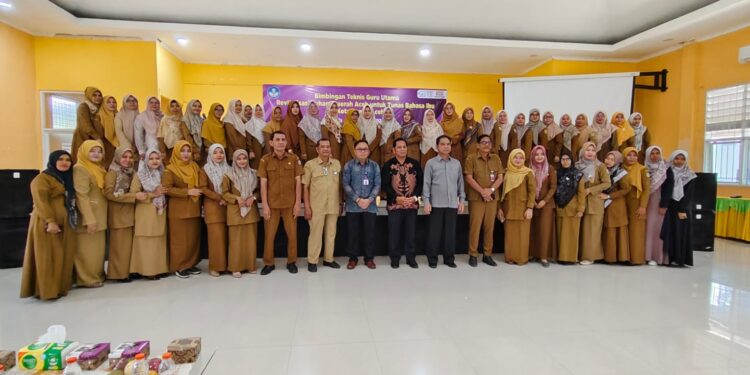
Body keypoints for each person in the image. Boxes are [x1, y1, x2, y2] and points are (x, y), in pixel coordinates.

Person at [20, 150, 77, 300]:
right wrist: (50, 221)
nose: (64, 162)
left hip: (64, 222)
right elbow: (41, 201)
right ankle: (46, 290)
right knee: (48, 256)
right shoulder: (42, 179)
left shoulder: (64, 178)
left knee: (60, 256)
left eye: (68, 160)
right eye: (60, 159)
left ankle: (59, 288)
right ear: (52, 161)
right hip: (46, 223)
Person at [258, 131, 303, 275]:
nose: (281, 142)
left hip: (290, 205)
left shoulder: (294, 158)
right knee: (269, 236)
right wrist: (264, 205)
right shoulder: (265, 160)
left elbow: (298, 182)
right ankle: (269, 263)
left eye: (283, 139)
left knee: (292, 235)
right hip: (272, 205)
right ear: (271, 143)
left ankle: (291, 262)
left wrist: (297, 204)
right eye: (277, 139)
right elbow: (263, 184)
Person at [423, 135, 465, 268]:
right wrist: (426, 201)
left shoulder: (456, 163)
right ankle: (432, 258)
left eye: (448, 144)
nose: (446, 146)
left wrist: (462, 200)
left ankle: (449, 259)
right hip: (436, 204)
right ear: (437, 147)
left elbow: (460, 184)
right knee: (434, 233)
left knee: (450, 234)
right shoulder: (431, 163)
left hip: (452, 204)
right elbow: (426, 184)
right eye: (443, 144)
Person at [103, 146, 144, 282]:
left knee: (127, 246)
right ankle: (118, 274)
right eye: (124, 157)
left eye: (130, 157)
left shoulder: (131, 172)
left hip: (130, 211)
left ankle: (128, 271)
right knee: (119, 246)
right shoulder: (112, 172)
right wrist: (133, 196)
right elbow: (108, 193)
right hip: (118, 213)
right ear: (117, 157)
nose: (127, 160)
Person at [163, 140, 203, 278]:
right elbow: (167, 189)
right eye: (182, 150)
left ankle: (190, 264)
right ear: (176, 152)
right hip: (178, 211)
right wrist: (187, 192)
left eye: (188, 151)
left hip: (193, 208)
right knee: (179, 240)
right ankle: (179, 266)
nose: (186, 154)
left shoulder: (194, 167)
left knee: (192, 239)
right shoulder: (170, 169)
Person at [382, 138, 423, 269]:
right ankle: (395, 258)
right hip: (395, 205)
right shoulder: (388, 165)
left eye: (404, 147)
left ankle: (411, 258)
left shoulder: (415, 164)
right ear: (394, 150)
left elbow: (420, 184)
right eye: (399, 147)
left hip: (411, 204)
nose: (402, 149)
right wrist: (396, 198)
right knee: (394, 233)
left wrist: (415, 197)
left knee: (411, 233)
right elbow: (385, 185)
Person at [303, 138, 342, 272]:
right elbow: (305, 187)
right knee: (315, 234)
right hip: (316, 206)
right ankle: (312, 261)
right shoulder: (310, 165)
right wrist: (307, 207)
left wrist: (341, 202)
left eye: (328, 146)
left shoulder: (337, 164)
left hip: (333, 205)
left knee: (331, 233)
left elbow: (340, 186)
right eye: (323, 147)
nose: (326, 149)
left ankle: (328, 259)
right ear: (317, 149)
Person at [464, 134, 504, 267]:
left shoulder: (496, 158)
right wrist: (482, 191)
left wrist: (490, 191)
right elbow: (469, 178)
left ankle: (487, 254)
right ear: (478, 145)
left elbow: (500, 177)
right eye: (483, 142)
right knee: (475, 227)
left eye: (488, 142)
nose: (486, 145)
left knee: (489, 227)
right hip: (476, 198)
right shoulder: (471, 158)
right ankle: (473, 254)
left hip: (492, 198)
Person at [130, 148, 169, 280]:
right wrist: (154, 194)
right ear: (146, 160)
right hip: (145, 211)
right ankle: (146, 270)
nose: (154, 161)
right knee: (146, 241)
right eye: (151, 158)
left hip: (160, 211)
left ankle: (159, 269)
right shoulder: (140, 175)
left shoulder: (162, 174)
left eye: (157, 158)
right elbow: (134, 193)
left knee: (158, 239)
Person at [73, 140, 108, 287]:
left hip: (99, 215)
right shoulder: (80, 168)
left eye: (99, 151)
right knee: (87, 251)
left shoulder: (98, 168)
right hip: (90, 217)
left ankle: (96, 275)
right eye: (92, 150)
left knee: (97, 251)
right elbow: (81, 195)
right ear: (84, 151)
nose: (96, 154)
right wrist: (89, 219)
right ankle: (86, 279)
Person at [222, 149, 261, 277]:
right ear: (234, 160)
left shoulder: (254, 174)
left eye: (244, 158)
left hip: (250, 211)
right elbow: (224, 193)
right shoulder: (228, 175)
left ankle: (250, 265)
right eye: (239, 159)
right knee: (236, 241)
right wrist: (236, 198)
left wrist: (253, 198)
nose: (242, 161)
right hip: (235, 211)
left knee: (250, 240)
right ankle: (235, 267)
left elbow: (259, 191)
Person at [343, 140, 381, 269]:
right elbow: (345, 184)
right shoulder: (349, 165)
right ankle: (353, 258)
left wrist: (369, 199)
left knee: (369, 234)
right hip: (353, 206)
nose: (362, 151)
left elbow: (377, 185)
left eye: (365, 149)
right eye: (360, 149)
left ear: (369, 151)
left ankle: (369, 258)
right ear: (354, 151)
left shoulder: (374, 166)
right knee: (353, 234)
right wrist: (358, 199)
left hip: (370, 206)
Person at [497, 149, 535, 265]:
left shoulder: (528, 172)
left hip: (523, 208)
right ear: (511, 158)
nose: (518, 160)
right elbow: (500, 192)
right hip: (508, 208)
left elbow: (532, 191)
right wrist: (499, 208)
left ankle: (521, 258)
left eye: (521, 158)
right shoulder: (506, 172)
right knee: (510, 235)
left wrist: (530, 207)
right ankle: (510, 258)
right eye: (515, 157)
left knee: (523, 235)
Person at [577, 141, 611, 265]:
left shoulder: (600, 166)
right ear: (582, 151)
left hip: (594, 203)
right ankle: (578, 254)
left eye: (592, 150)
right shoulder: (577, 165)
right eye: (587, 150)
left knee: (592, 231)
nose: (590, 152)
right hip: (579, 202)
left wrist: (590, 190)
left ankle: (590, 257)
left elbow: (607, 183)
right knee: (581, 230)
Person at [660, 150, 697, 267]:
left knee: (681, 232)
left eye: (682, 159)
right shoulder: (668, 171)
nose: (679, 161)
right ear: (672, 159)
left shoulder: (690, 175)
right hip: (670, 207)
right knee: (670, 232)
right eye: (677, 158)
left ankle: (681, 259)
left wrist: (682, 209)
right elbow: (665, 190)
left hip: (683, 208)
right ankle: (670, 258)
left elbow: (689, 194)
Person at [200, 144, 232, 276]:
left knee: (227, 238)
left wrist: (228, 198)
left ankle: (227, 265)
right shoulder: (205, 170)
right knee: (216, 238)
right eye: (215, 153)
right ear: (210, 155)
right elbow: (203, 188)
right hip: (213, 207)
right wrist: (219, 198)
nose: (219, 155)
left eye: (221, 152)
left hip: (228, 208)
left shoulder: (229, 169)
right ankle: (215, 266)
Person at [555, 151, 586, 264]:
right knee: (561, 234)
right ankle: (561, 257)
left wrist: (581, 209)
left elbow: (581, 193)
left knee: (571, 234)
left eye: (567, 159)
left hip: (573, 208)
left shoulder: (577, 175)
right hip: (560, 207)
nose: (565, 161)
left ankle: (570, 258)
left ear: (571, 160)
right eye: (563, 159)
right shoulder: (557, 173)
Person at [644, 145, 672, 265]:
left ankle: (656, 256)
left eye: (657, 153)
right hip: (645, 201)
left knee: (656, 228)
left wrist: (664, 205)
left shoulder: (665, 168)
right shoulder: (643, 167)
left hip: (658, 202)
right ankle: (645, 255)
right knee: (646, 228)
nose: (655, 156)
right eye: (652, 153)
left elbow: (669, 188)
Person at [602, 151, 631, 264]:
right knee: (608, 230)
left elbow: (626, 189)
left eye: (612, 159)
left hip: (616, 205)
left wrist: (609, 196)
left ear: (618, 161)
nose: (608, 161)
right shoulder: (603, 170)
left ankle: (620, 257)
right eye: (607, 158)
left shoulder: (621, 173)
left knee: (617, 230)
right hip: (607, 204)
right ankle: (609, 257)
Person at [530, 145, 557, 267]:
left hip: (546, 204)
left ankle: (544, 257)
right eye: (536, 154)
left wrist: (544, 201)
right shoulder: (529, 169)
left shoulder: (549, 168)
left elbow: (553, 187)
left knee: (545, 230)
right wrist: (533, 202)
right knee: (534, 230)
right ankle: (535, 254)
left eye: (542, 154)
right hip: (533, 203)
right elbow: (528, 187)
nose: (539, 157)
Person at [622, 146, 650, 265]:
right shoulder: (620, 168)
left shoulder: (642, 169)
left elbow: (646, 189)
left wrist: (643, 206)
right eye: (629, 155)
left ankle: (636, 258)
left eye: (634, 155)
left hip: (636, 202)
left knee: (636, 231)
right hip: (623, 201)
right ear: (624, 156)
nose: (632, 158)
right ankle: (624, 257)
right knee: (624, 230)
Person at [158, 99, 199, 164]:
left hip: (181, 148)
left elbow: (187, 135)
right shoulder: (164, 120)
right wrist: (162, 151)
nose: (175, 108)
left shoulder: (183, 120)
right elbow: (161, 136)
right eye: (172, 106)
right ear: (168, 108)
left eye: (177, 106)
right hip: (168, 149)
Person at [71, 87, 104, 164]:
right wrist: (97, 138)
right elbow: (85, 124)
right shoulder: (83, 107)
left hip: (95, 139)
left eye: (99, 95)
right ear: (89, 96)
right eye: (94, 95)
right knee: (83, 161)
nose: (97, 97)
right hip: (84, 137)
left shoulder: (100, 108)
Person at [134, 96, 163, 161]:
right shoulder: (141, 117)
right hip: (149, 144)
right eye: (151, 102)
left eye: (156, 103)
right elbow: (138, 135)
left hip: (161, 145)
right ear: (148, 104)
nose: (154, 104)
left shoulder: (162, 116)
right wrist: (141, 150)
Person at [97, 96, 119, 166]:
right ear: (103, 104)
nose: (112, 104)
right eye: (109, 102)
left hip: (117, 146)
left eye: (114, 102)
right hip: (104, 145)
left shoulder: (118, 116)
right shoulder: (98, 116)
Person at [183, 99, 205, 164]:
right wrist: (195, 151)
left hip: (201, 150)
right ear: (189, 107)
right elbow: (187, 137)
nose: (197, 108)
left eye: (199, 106)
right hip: (191, 150)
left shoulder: (201, 120)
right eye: (194, 106)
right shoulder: (185, 120)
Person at [247, 104, 266, 169]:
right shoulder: (249, 124)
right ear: (253, 112)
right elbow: (248, 139)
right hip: (255, 149)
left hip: (264, 149)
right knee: (255, 167)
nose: (258, 112)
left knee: (263, 167)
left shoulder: (264, 123)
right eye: (256, 110)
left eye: (260, 110)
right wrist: (251, 151)